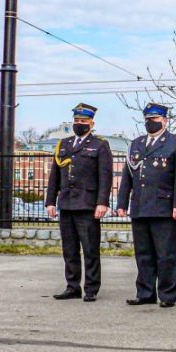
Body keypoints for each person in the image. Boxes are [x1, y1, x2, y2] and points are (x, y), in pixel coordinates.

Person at [116, 103, 176, 308]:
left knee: (166, 254)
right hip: (140, 206)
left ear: (165, 121)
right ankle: (145, 292)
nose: (151, 122)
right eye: (148, 119)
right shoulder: (136, 144)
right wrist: (122, 203)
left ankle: (167, 294)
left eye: (155, 119)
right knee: (143, 252)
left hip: (163, 207)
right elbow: (128, 177)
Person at [45, 103, 113, 302]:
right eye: (76, 121)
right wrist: (51, 201)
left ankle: (91, 288)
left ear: (92, 123)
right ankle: (72, 286)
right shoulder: (63, 144)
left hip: (87, 205)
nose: (79, 124)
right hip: (66, 204)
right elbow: (54, 176)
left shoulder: (100, 145)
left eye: (83, 121)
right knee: (70, 249)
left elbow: (105, 176)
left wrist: (102, 203)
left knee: (90, 249)